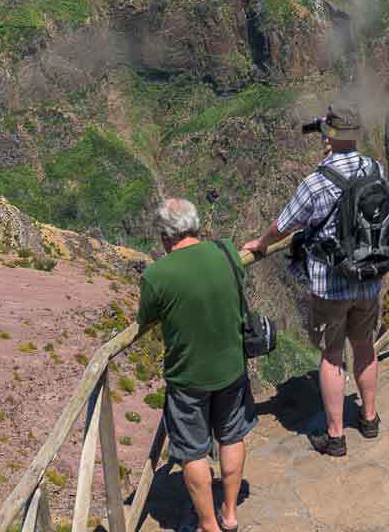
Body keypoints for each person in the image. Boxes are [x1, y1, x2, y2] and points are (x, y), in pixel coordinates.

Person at [241, 104, 385, 457]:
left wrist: (260, 244)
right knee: (364, 346)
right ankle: (369, 418)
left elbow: (283, 225)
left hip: (330, 285)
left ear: (329, 137)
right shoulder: (375, 169)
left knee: (332, 356)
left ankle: (335, 436)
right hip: (369, 277)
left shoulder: (316, 183)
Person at [136, 198, 253, 532]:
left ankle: (208, 525)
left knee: (193, 453)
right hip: (232, 367)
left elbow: (145, 317)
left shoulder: (157, 275)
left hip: (188, 379)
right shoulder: (228, 251)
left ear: (164, 236)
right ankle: (229, 513)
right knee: (231, 437)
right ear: (195, 225)